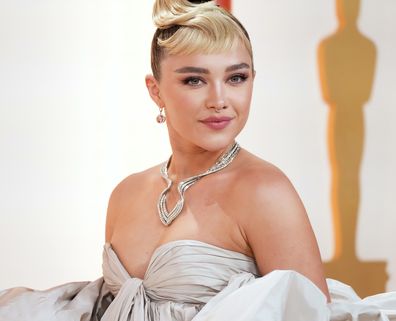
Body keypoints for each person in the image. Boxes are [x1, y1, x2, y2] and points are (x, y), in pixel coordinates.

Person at [1, 1, 395, 321]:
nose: (219, 99)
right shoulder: (126, 194)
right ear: (155, 91)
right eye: (195, 80)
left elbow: (308, 315)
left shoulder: (265, 191)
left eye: (237, 77)